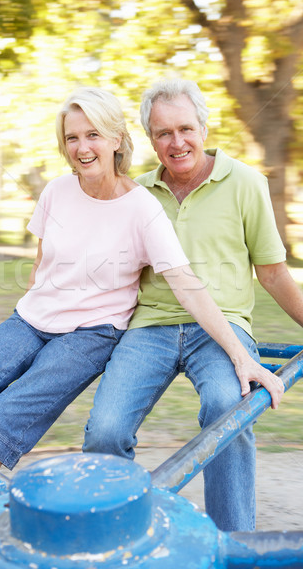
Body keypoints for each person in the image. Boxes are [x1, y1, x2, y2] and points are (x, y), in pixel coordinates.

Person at [0, 86, 280, 546]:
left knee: (1, 421)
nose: (82, 148)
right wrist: (22, 332)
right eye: (72, 138)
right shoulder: (57, 191)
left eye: (94, 135)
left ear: (118, 139)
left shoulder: (143, 206)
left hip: (93, 332)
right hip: (33, 321)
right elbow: (42, 266)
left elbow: (186, 282)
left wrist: (242, 356)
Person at [83, 78, 299, 532]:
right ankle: (114, 535)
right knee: (104, 429)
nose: (176, 142)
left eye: (185, 128)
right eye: (163, 133)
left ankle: (234, 542)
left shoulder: (246, 183)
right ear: (150, 139)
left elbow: (273, 271)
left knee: (228, 407)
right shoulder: (135, 192)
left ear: (203, 126)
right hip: (150, 328)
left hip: (222, 328)